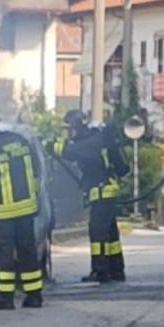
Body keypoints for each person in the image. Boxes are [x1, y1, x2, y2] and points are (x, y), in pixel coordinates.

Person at [0, 104, 44, 311]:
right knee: (28, 253)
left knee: (3, 256)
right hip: (27, 210)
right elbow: (35, 173)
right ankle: (34, 296)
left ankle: (5, 298)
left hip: (3, 213)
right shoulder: (20, 141)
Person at [53, 110, 128, 283]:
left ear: (77, 126)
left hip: (102, 192)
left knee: (98, 232)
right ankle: (116, 269)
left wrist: (48, 144)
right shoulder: (96, 139)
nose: (68, 133)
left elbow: (68, 151)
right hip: (105, 191)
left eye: (69, 129)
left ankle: (100, 270)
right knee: (110, 234)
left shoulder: (89, 142)